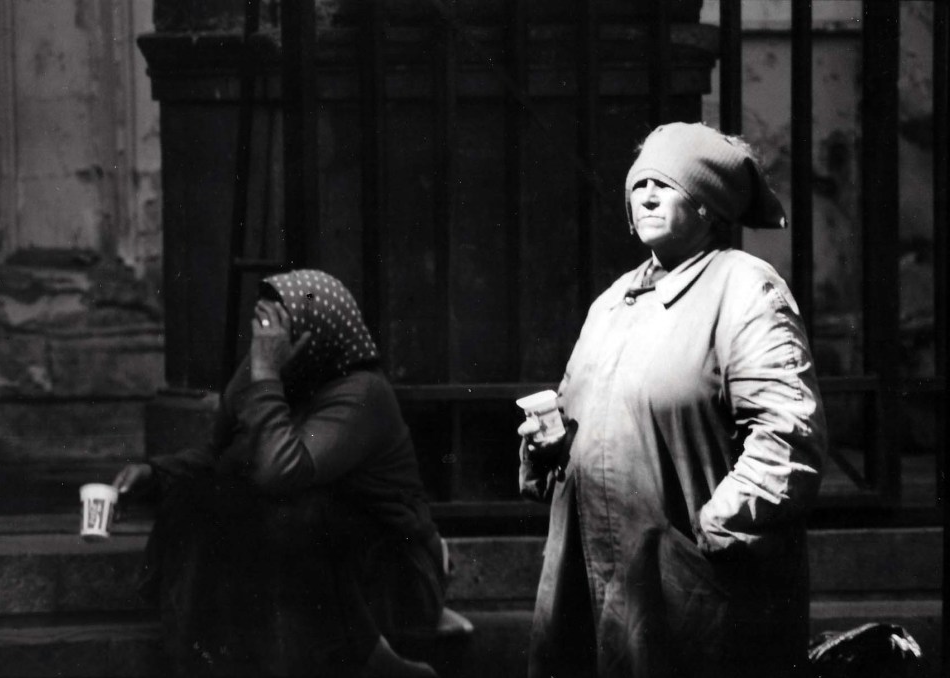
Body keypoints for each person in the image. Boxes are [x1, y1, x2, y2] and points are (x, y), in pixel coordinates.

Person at [518, 122, 827, 678]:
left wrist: (710, 532)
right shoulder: (614, 302)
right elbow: (585, 413)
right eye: (639, 185)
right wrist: (552, 445)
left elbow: (788, 438)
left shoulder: (745, 289)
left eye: (665, 184)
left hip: (688, 590)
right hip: (592, 580)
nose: (647, 197)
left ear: (708, 204)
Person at [114, 269, 445, 678]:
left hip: (392, 579)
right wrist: (155, 474)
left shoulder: (363, 393)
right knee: (199, 499)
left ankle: (374, 662)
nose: (265, 343)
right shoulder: (284, 372)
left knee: (291, 512)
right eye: (262, 330)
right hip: (318, 577)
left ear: (311, 336)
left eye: (275, 331)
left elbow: (277, 472)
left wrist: (265, 374)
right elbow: (222, 456)